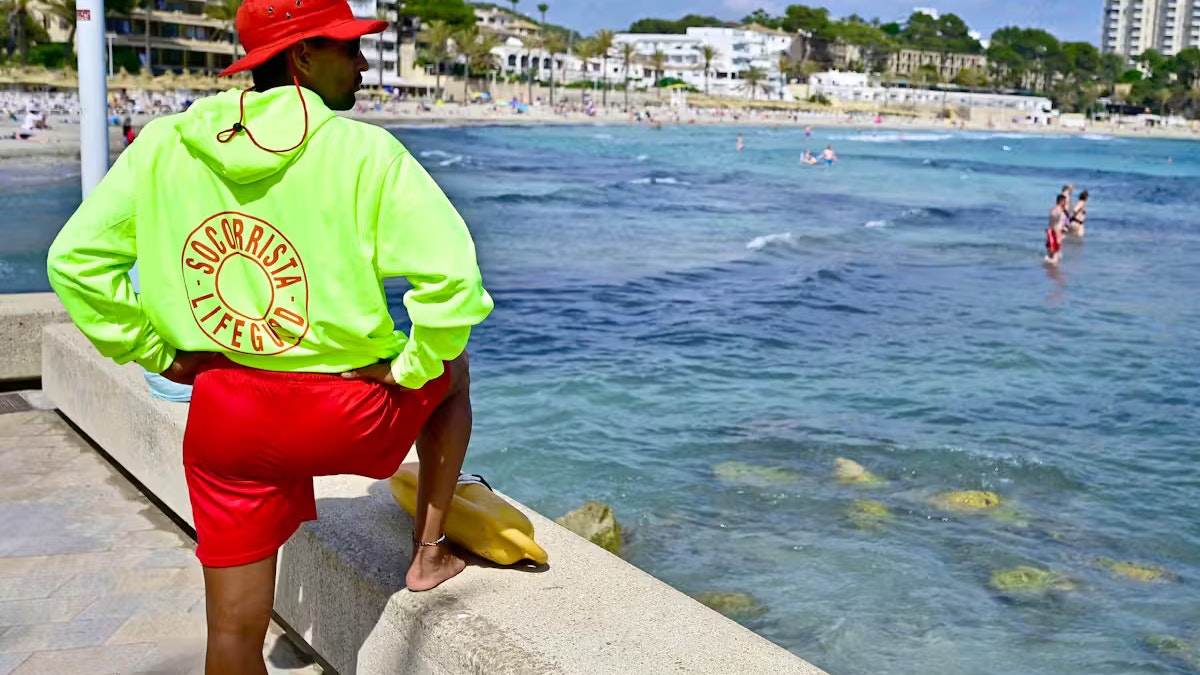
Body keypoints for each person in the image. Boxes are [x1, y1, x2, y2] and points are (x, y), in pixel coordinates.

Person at [45, 0, 494, 671]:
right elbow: (452, 283)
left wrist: (159, 352)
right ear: (302, 56)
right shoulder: (363, 151)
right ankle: (428, 555)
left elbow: (74, 262)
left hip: (230, 417)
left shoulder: (167, 144)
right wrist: (410, 364)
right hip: (347, 415)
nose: (364, 61)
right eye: (348, 47)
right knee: (452, 367)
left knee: (231, 634)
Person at [1045, 194, 1068, 265]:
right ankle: (1053, 271)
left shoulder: (1054, 209)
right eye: (1065, 201)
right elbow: (1054, 223)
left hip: (1052, 231)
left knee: (1051, 254)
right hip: (1056, 232)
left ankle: (1050, 267)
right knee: (1055, 254)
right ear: (1062, 201)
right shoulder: (1058, 211)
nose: (1066, 203)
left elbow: (1052, 222)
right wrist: (1058, 235)